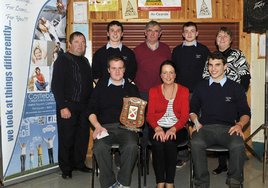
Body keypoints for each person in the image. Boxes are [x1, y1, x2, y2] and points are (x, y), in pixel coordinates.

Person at [190, 51, 251, 188]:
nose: (213, 69)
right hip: (205, 128)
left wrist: (240, 125)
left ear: (225, 67)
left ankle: (234, 182)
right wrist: (195, 121)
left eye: (217, 65)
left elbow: (246, 112)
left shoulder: (236, 88)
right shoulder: (201, 86)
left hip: (228, 129)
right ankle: (201, 183)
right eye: (210, 65)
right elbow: (192, 109)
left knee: (238, 144)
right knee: (196, 142)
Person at [202, 27, 251, 175]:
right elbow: (205, 76)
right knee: (220, 127)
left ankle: (235, 164)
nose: (222, 38)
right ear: (216, 40)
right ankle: (222, 164)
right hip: (215, 98)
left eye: (225, 36)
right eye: (219, 36)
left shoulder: (237, 54)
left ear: (230, 40)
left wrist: (237, 94)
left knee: (232, 129)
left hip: (233, 99)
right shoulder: (211, 56)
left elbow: (245, 76)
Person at [88, 55, 140, 188]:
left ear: (124, 70)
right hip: (104, 127)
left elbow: (139, 113)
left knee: (132, 146)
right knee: (99, 147)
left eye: (120, 68)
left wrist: (135, 125)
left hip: (126, 128)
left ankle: (123, 183)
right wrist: (97, 126)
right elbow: (90, 111)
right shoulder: (100, 88)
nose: (117, 71)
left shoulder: (132, 88)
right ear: (108, 70)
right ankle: (109, 184)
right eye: (114, 68)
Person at [51, 31, 94, 179]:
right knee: (67, 138)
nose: (80, 45)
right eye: (77, 42)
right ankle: (66, 168)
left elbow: (89, 85)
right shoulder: (62, 60)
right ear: (70, 43)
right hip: (67, 106)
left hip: (84, 107)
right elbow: (56, 86)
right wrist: (62, 106)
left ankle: (79, 164)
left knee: (82, 138)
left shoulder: (86, 61)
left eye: (83, 42)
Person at [172, 21, 210, 168]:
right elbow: (172, 74)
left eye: (192, 31)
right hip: (180, 94)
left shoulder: (204, 50)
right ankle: (182, 155)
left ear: (197, 33)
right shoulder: (176, 51)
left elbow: (209, 73)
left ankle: (198, 155)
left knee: (198, 124)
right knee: (180, 124)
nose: (189, 34)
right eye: (186, 31)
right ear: (182, 34)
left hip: (199, 95)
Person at [147, 60, 189, 188]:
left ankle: (170, 182)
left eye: (171, 72)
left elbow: (184, 116)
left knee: (170, 142)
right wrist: (157, 128)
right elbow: (150, 115)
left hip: (178, 127)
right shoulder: (153, 91)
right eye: (165, 73)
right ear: (160, 75)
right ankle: (160, 182)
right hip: (157, 126)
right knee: (158, 143)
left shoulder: (184, 90)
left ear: (175, 75)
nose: (168, 76)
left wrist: (173, 129)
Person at [134, 20, 171, 157]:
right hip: (142, 93)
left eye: (156, 31)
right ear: (145, 32)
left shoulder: (166, 49)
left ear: (160, 34)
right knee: (143, 125)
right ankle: (143, 154)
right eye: (150, 30)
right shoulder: (137, 50)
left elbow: (170, 72)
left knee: (159, 123)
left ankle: (157, 153)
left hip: (161, 93)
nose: (153, 34)